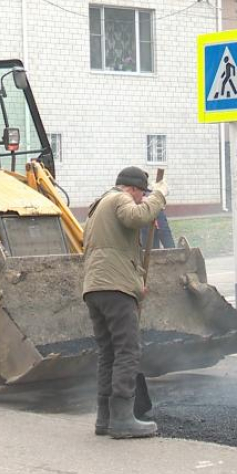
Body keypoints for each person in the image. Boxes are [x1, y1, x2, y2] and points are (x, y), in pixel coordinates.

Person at [82, 166, 168, 439]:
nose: (143, 199)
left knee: (108, 353)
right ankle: (122, 419)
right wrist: (160, 197)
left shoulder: (99, 206)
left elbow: (119, 249)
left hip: (96, 287)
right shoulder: (120, 199)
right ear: (133, 189)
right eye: (142, 194)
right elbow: (136, 217)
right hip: (113, 287)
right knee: (127, 351)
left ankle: (104, 418)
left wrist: (136, 281)